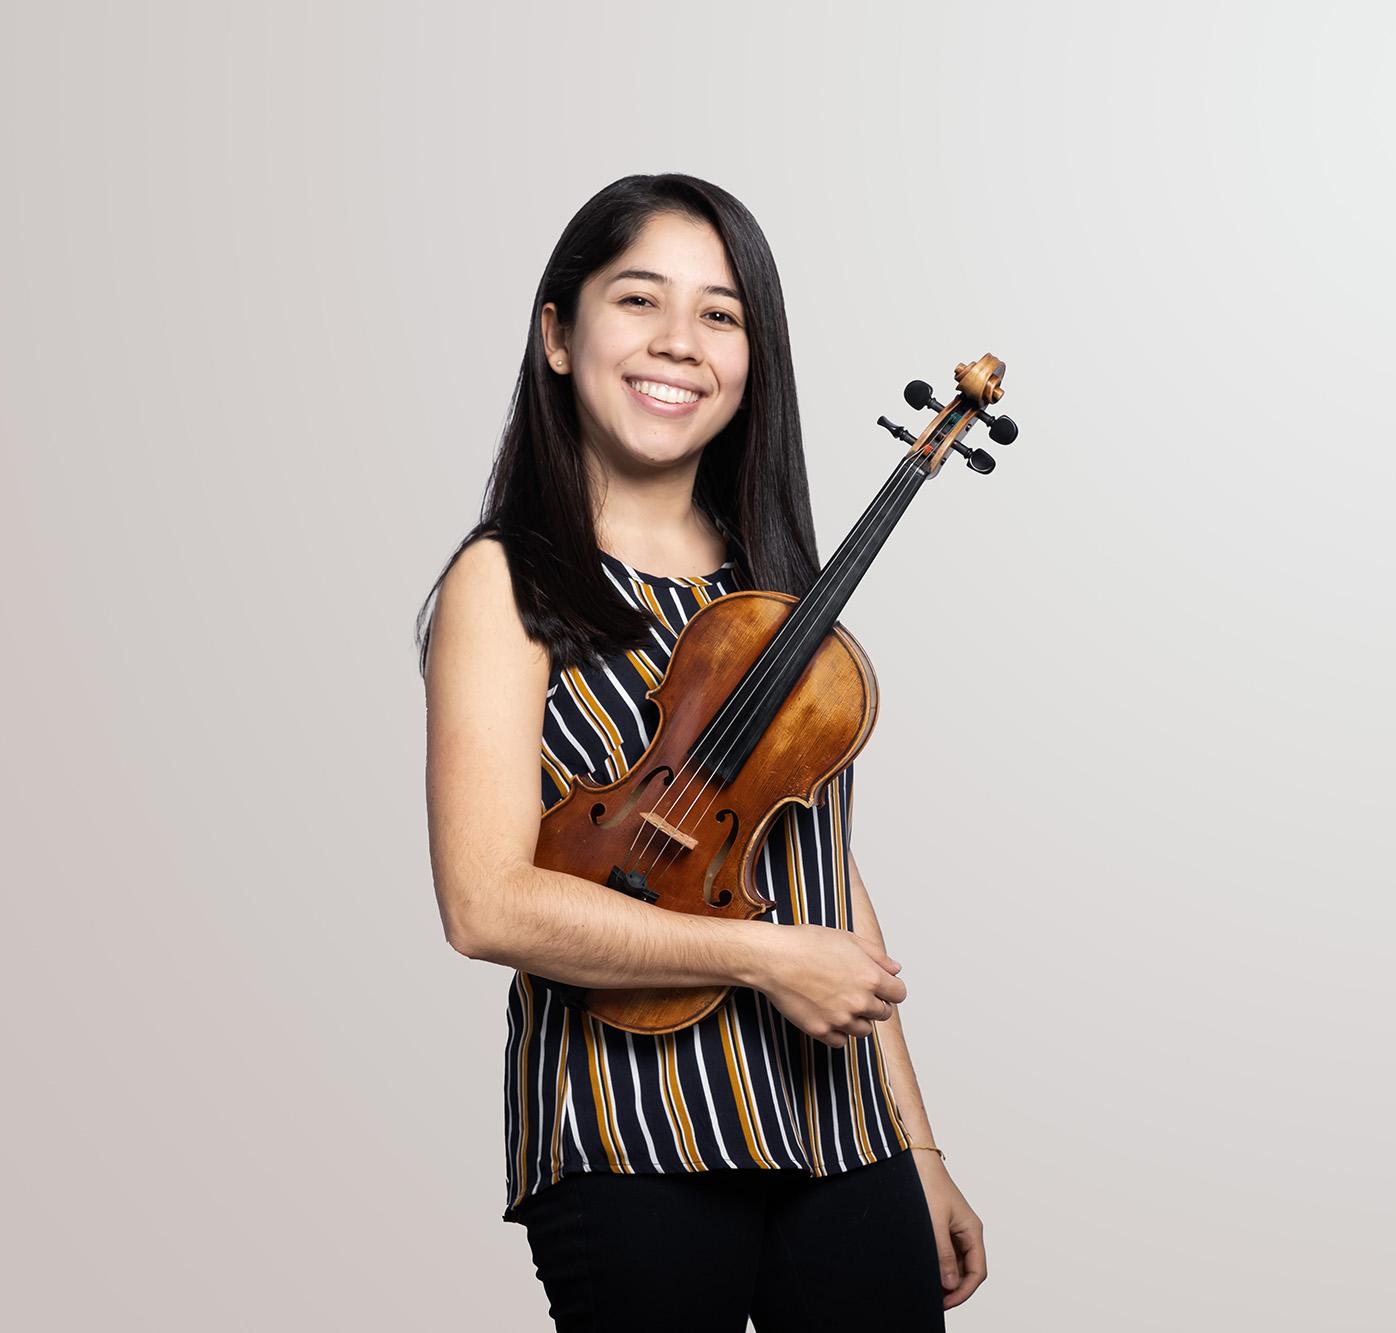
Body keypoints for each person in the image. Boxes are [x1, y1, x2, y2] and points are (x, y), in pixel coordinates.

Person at [416, 173, 986, 1331]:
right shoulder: (506, 580)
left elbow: (819, 873)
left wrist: (913, 1141)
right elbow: (486, 906)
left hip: (837, 1137)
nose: (678, 343)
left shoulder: (774, 597)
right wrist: (767, 958)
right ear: (558, 337)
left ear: (753, 358)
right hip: (632, 1138)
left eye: (720, 314)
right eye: (638, 300)